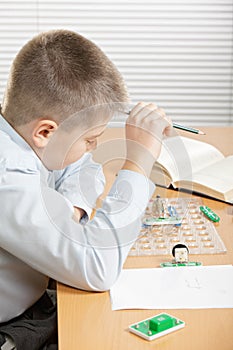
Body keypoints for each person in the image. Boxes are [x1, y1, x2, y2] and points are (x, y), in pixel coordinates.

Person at [0, 29, 172, 349]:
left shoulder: (25, 131)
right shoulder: (7, 179)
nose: (94, 147)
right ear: (45, 132)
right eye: (90, 138)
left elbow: (85, 167)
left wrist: (70, 209)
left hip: (37, 299)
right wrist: (138, 161)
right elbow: (98, 268)